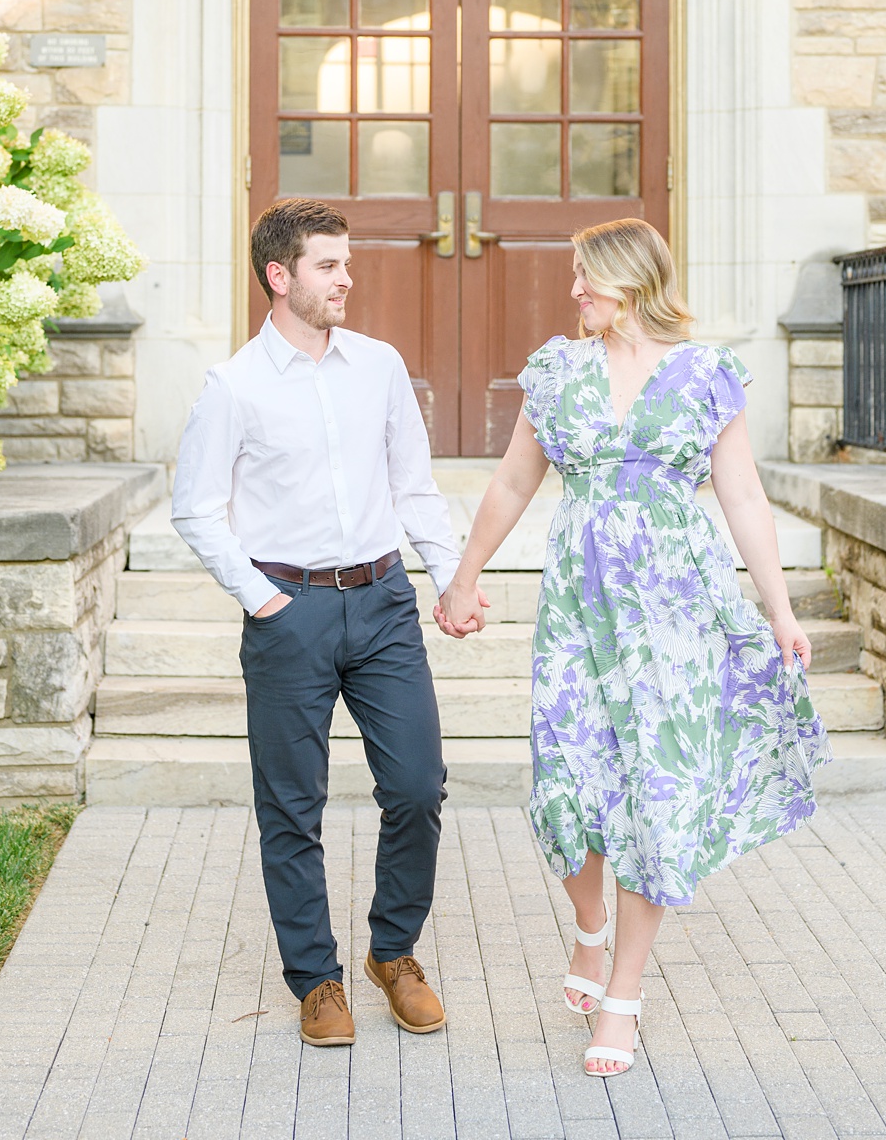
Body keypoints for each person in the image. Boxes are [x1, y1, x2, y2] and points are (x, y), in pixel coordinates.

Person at [434, 216, 826, 1078]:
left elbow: (746, 499)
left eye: (587, 279)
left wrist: (781, 612)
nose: (573, 293)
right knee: (568, 779)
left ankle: (625, 994)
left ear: (632, 283)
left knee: (655, 792)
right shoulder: (558, 371)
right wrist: (464, 576)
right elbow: (510, 481)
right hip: (579, 609)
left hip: (676, 610)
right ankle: (588, 927)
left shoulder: (705, 375)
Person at [171, 196, 457, 1049]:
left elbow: (414, 486)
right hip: (288, 612)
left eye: (346, 262)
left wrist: (450, 576)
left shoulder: (378, 367)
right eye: (328, 265)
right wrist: (261, 599)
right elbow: (196, 509)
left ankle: (393, 955)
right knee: (291, 809)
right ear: (279, 275)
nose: (347, 278)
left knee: (417, 785)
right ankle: (317, 979)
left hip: (382, 604)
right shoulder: (234, 386)